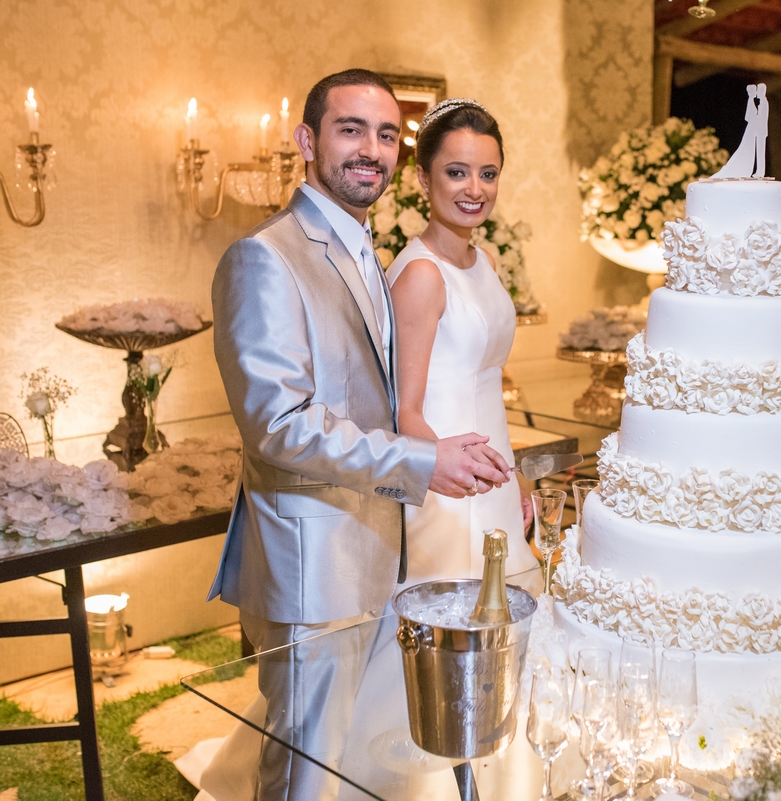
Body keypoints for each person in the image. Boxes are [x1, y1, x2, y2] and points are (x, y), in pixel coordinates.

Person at [203, 69, 514, 800]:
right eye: (351, 129)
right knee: (304, 776)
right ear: (307, 140)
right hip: (313, 562)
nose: (370, 149)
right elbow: (277, 424)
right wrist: (421, 457)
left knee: (348, 764)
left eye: (385, 134)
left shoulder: (363, 250)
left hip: (375, 551)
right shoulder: (267, 255)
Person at [386, 97, 539, 582]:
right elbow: (403, 411)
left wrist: (509, 477)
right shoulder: (422, 276)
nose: (475, 189)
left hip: (490, 475)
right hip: (444, 485)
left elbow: (484, 385)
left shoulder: (486, 261)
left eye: (488, 174)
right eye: (457, 172)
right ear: (422, 178)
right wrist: (445, 471)